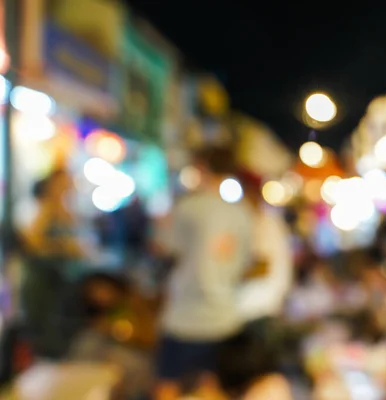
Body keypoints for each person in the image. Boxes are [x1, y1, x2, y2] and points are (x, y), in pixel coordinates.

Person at [155, 146, 253, 400]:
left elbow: (164, 247)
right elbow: (244, 265)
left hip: (183, 316)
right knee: (211, 387)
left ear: (202, 167)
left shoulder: (188, 207)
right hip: (223, 316)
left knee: (168, 385)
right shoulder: (241, 213)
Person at [20, 169, 85, 359]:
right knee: (47, 335)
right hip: (44, 282)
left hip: (59, 282)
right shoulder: (45, 209)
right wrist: (62, 247)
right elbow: (32, 244)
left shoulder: (64, 210)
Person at [68, 272, 157, 399]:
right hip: (100, 361)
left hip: (135, 356)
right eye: (93, 291)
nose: (99, 295)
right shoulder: (96, 316)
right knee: (88, 343)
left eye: (103, 289)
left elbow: (149, 338)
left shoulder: (136, 304)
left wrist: (116, 331)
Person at [237, 170, 293, 342]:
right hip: (259, 306)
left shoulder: (264, 223)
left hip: (258, 309)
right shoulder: (266, 221)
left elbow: (262, 265)